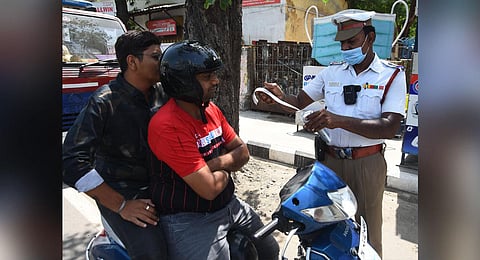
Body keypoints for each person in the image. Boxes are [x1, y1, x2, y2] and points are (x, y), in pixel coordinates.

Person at [258, 10, 406, 257]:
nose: (346, 48)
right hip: (329, 163)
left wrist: (337, 120)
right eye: (342, 43)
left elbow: (389, 126)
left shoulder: (391, 75)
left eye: (352, 42)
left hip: (367, 164)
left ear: (369, 38)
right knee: (324, 225)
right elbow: (300, 101)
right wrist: (278, 97)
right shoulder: (332, 72)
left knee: (367, 230)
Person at [148, 40, 280, 260]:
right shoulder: (167, 125)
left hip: (229, 204)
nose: (216, 81)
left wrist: (216, 165)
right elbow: (208, 188)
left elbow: (243, 151)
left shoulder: (210, 110)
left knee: (270, 250)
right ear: (184, 82)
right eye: (207, 77)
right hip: (190, 218)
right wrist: (230, 167)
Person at [62, 30, 169, 259]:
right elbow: (71, 161)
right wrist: (122, 205)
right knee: (154, 254)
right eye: (155, 57)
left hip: (164, 188)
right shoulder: (104, 102)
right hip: (127, 193)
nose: (162, 63)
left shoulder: (164, 93)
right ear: (132, 62)